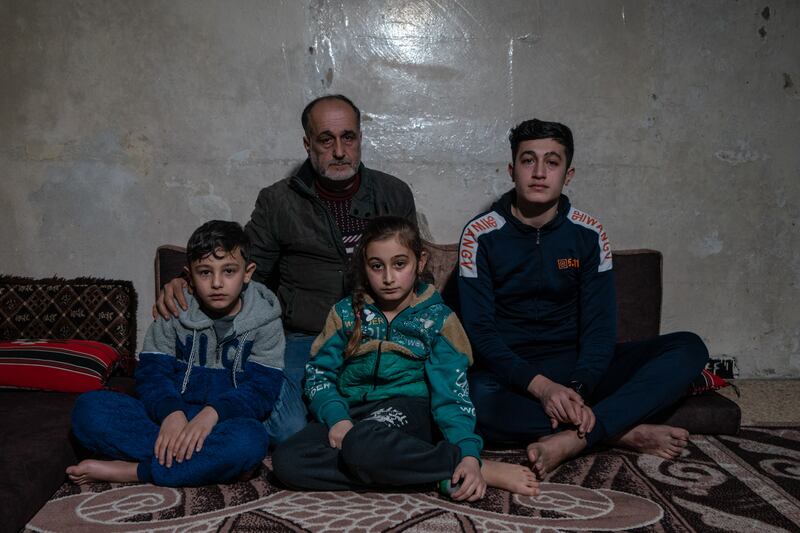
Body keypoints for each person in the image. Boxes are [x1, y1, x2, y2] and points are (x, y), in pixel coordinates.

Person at [155, 95, 416, 444]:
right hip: (304, 337)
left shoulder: (393, 194)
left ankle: (347, 431)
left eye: (348, 137)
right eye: (326, 139)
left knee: (416, 413)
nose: (339, 150)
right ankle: (339, 434)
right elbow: (244, 268)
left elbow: (415, 270)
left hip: (376, 332)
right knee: (285, 430)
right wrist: (186, 281)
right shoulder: (278, 201)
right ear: (308, 145)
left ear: (359, 140)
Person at [458, 119, 709, 478]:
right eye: (529, 161)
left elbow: (600, 327)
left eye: (552, 162)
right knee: (468, 399)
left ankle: (577, 437)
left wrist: (575, 389)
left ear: (568, 173)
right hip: (512, 374)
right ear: (512, 170)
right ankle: (620, 431)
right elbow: (480, 333)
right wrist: (543, 388)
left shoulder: (589, 233)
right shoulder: (480, 235)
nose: (540, 172)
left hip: (577, 368)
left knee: (689, 348)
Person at [272, 216, 539, 499]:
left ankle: (464, 464)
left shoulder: (439, 319)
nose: (388, 278)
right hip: (352, 413)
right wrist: (337, 418)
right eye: (377, 266)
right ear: (364, 266)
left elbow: (453, 396)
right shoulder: (345, 313)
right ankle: (436, 472)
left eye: (400, 264)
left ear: (420, 262)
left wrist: (469, 454)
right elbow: (318, 376)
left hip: (407, 412)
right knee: (287, 461)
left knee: (362, 444)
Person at [67, 220, 285, 486]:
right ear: (189, 276)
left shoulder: (266, 319)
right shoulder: (174, 309)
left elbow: (262, 390)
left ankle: (137, 472)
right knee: (89, 410)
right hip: (167, 420)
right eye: (205, 272)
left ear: (247, 273)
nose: (217, 283)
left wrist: (212, 413)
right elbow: (151, 374)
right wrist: (171, 414)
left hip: (221, 423)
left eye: (229, 271)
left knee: (250, 440)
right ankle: (205, 464)